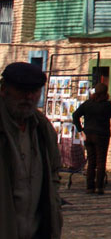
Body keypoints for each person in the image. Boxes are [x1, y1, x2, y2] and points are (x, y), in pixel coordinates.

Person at [0, 62, 63, 239]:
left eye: (34, 91)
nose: (28, 97)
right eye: (21, 90)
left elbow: (53, 176)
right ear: (4, 90)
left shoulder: (42, 129)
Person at [72, 82, 111, 194]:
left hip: (88, 134)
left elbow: (75, 115)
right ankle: (99, 187)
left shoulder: (88, 104)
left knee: (91, 161)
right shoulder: (106, 105)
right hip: (102, 135)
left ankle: (90, 186)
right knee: (101, 161)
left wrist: (80, 130)